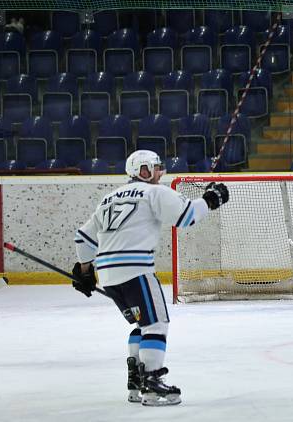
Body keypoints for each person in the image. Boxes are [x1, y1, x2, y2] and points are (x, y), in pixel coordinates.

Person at [71, 150, 229, 406]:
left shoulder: (108, 199)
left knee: (142, 325)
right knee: (156, 324)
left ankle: (136, 381)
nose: (160, 172)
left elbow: (83, 238)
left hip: (110, 275)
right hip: (136, 270)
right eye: (155, 167)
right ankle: (152, 384)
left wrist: (86, 271)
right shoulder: (154, 192)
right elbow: (186, 216)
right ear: (142, 170)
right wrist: (211, 200)